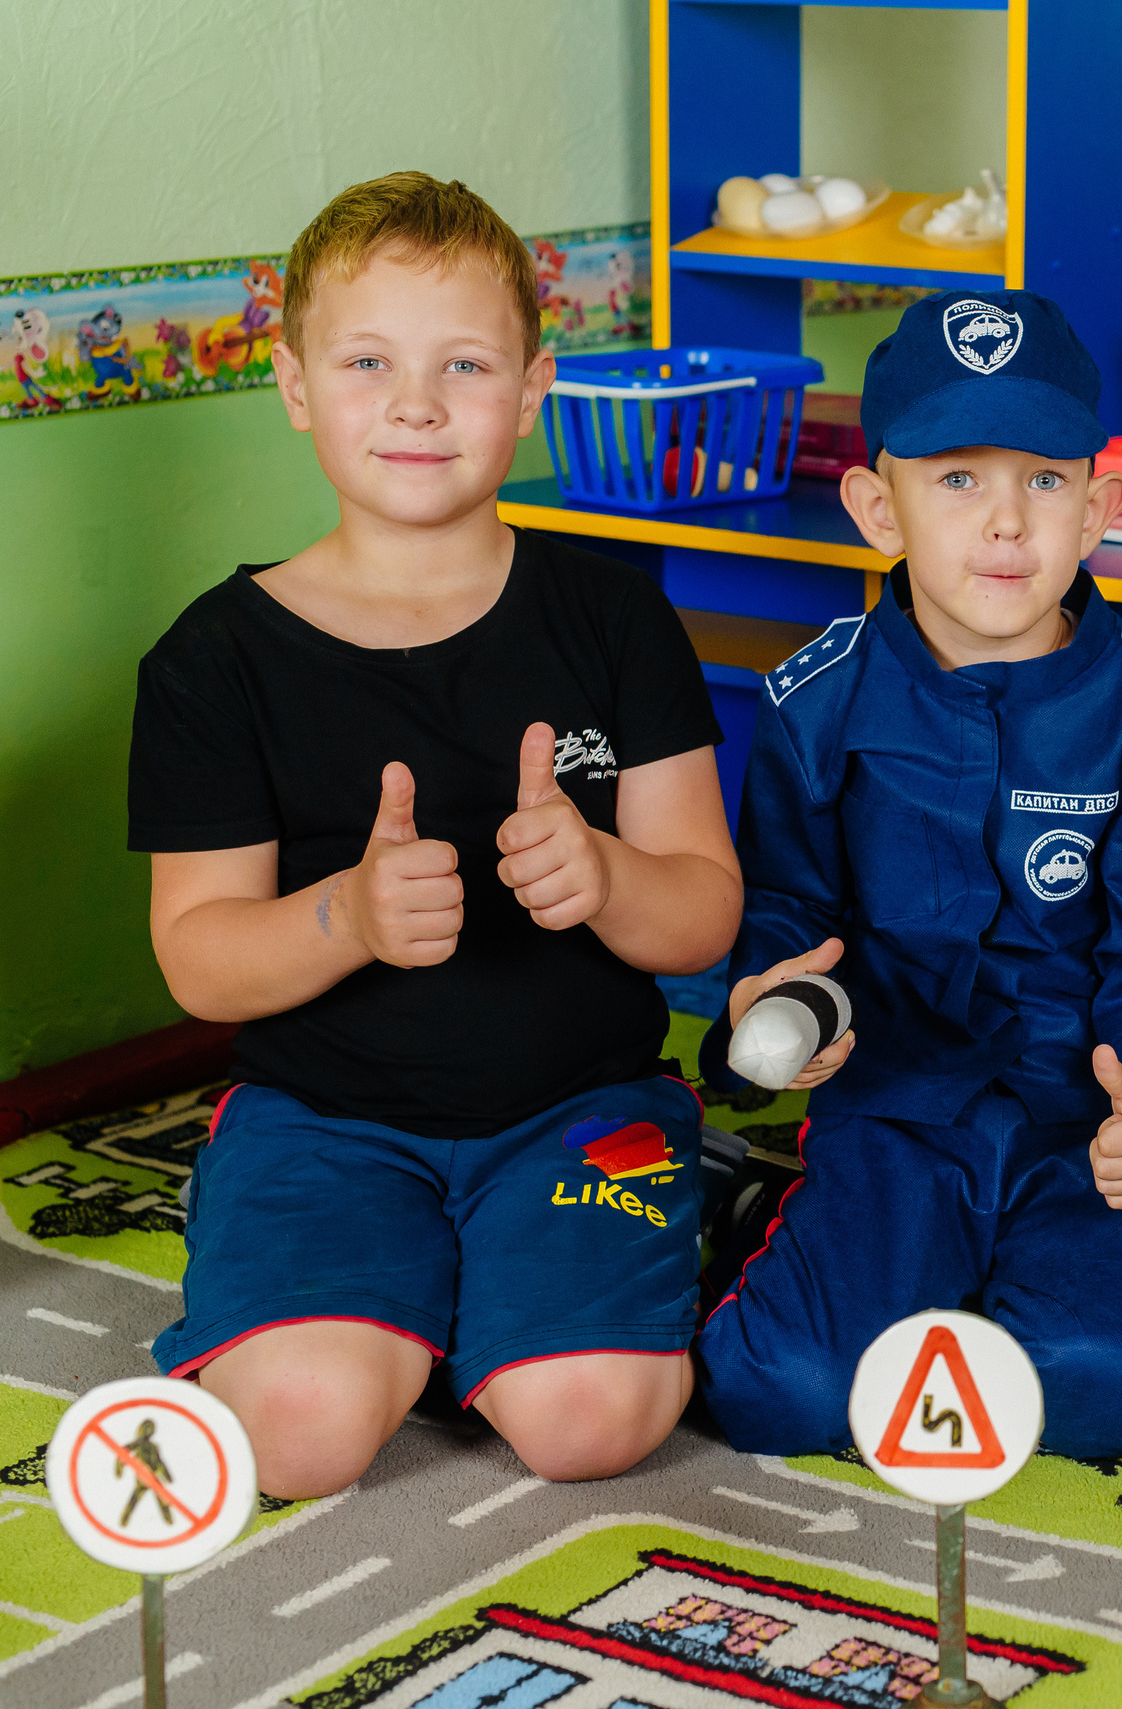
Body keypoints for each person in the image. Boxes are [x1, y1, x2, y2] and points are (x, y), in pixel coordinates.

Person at [130, 173, 740, 1498]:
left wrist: (607, 874)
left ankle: (504, 1284)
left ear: (530, 391)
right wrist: (348, 914)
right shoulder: (210, 661)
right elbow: (199, 960)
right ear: (295, 384)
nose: (417, 402)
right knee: (295, 1438)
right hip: (322, 1121)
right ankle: (376, 1269)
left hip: (582, 1108)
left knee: (586, 1423)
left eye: (465, 363)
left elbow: (704, 913)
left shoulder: (617, 619)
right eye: (368, 362)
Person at [692, 289, 1122, 1459]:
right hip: (895, 1108)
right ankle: (771, 1217)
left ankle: (1050, 1280)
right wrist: (771, 999)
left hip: (1079, 1121)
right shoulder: (815, 699)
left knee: (1096, 1398)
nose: (1006, 523)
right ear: (878, 508)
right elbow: (786, 907)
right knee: (787, 1392)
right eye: (958, 479)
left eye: (1044, 480)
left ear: (1099, 510)